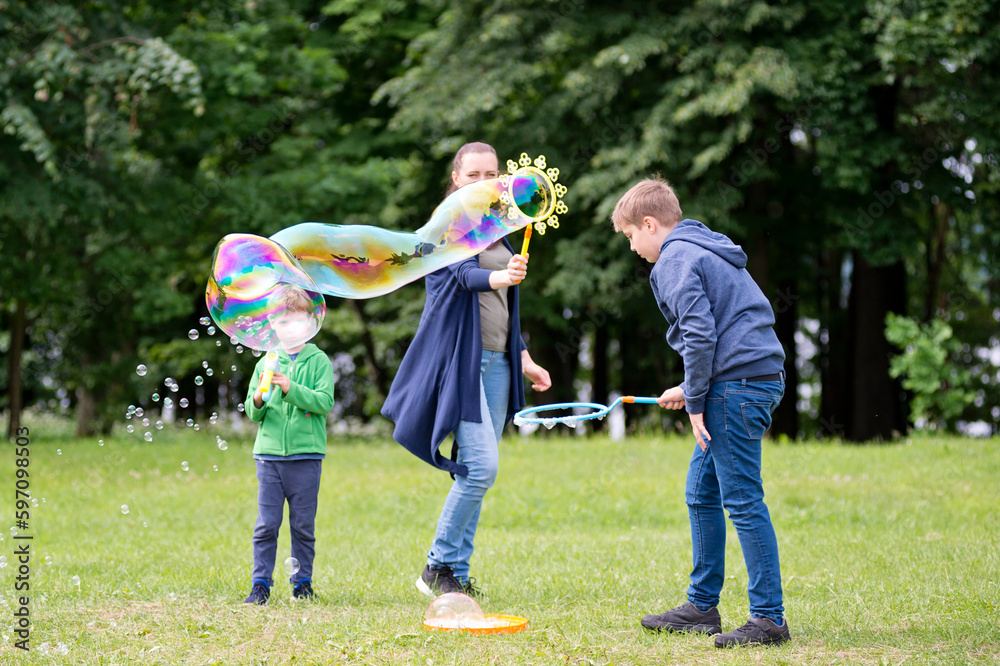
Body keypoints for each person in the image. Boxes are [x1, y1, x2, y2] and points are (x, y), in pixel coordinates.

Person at [611, 176, 789, 648]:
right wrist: (690, 386)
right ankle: (701, 607)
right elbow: (721, 328)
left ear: (650, 224)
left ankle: (769, 619)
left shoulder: (675, 259)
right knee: (700, 493)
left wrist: (695, 401)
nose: (632, 247)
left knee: (743, 501)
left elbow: (700, 332)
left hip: (737, 388)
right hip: (751, 377)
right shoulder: (703, 248)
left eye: (631, 235)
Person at [382, 141, 552, 597]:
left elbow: (504, 306)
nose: (483, 182)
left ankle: (456, 570)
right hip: (461, 363)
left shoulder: (498, 229)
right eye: (473, 174)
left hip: (499, 362)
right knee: (481, 469)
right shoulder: (447, 228)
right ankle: (437, 565)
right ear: (456, 179)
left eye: (491, 174)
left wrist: (523, 357)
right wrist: (500, 276)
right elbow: (462, 277)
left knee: (475, 469)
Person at [242, 286, 336, 605]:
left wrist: (290, 388)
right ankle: (260, 585)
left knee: (302, 526)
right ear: (272, 325)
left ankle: (302, 584)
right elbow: (254, 411)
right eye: (283, 322)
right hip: (268, 458)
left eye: (296, 321)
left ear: (310, 322)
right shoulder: (266, 362)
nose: (290, 328)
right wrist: (258, 398)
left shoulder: (318, 361)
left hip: (306, 458)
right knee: (266, 526)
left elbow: (324, 402)